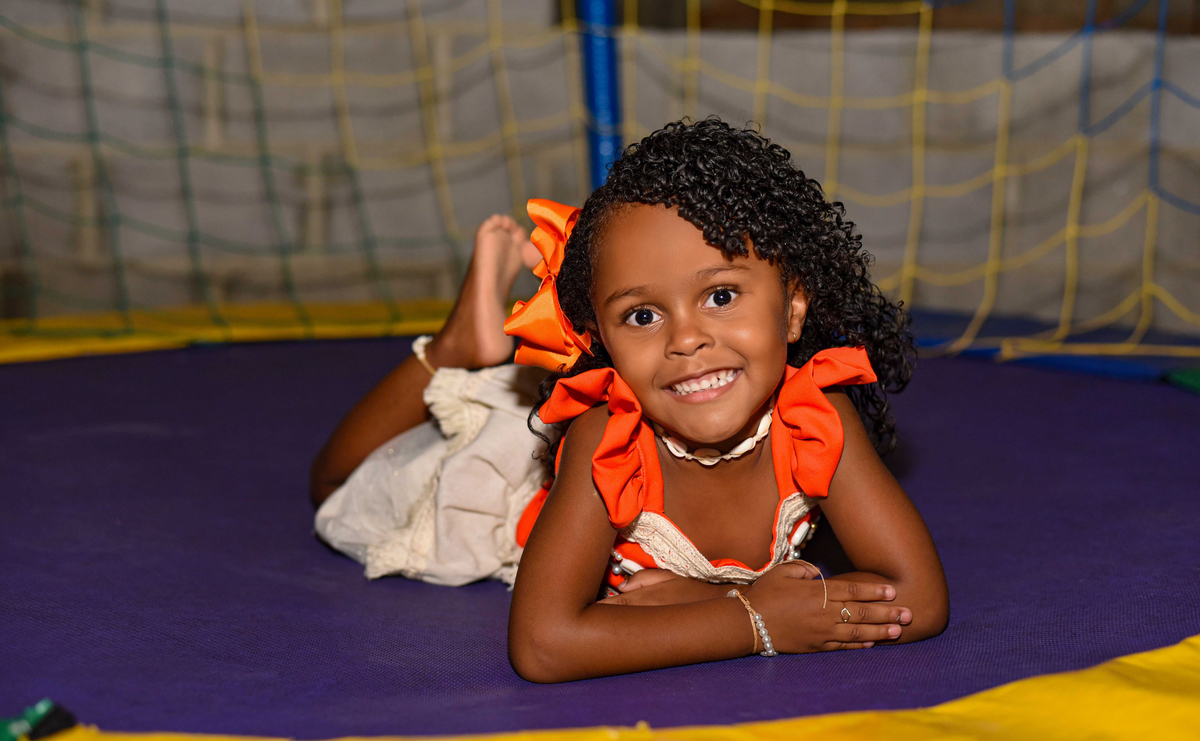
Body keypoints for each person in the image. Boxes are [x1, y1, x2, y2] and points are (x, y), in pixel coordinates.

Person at [311, 119, 948, 683]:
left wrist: (706, 599)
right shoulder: (606, 436)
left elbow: (918, 598)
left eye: (721, 296)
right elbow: (542, 645)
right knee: (336, 487)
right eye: (643, 315)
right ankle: (455, 345)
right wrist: (752, 621)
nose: (686, 339)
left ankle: (474, 344)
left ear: (793, 307)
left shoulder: (815, 417)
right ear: (603, 340)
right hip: (508, 500)